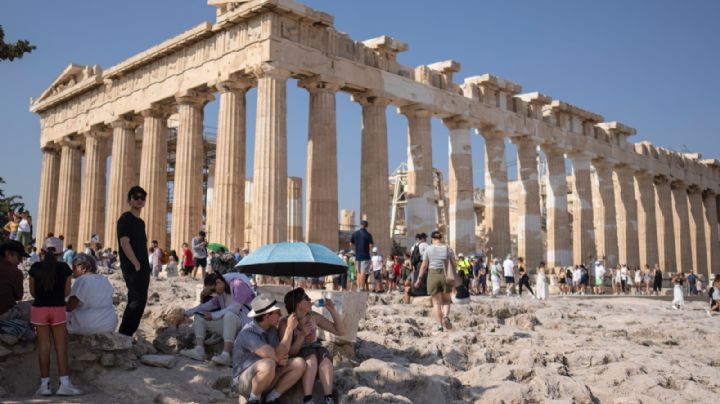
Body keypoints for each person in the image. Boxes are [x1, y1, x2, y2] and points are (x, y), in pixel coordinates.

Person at [29, 236, 82, 396]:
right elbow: (67, 292)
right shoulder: (65, 268)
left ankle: (44, 385)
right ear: (60, 253)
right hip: (58, 308)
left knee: (44, 347)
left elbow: (32, 292)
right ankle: (64, 384)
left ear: (42, 251)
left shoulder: (35, 267)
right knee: (60, 347)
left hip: (39, 309)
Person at [232, 295, 306, 404]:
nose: (280, 316)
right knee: (268, 364)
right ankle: (253, 399)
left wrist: (278, 358)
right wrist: (289, 329)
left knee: (299, 363)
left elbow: (280, 354)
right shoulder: (248, 333)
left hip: (267, 375)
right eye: (277, 313)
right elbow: (276, 356)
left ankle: (271, 399)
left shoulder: (271, 330)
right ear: (267, 316)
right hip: (244, 382)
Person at [280, 288, 345, 404]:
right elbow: (289, 352)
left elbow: (339, 331)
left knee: (325, 358)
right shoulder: (286, 323)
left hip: (315, 349)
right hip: (301, 357)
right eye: (307, 298)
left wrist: (332, 310)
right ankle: (308, 399)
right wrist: (302, 335)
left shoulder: (313, 316)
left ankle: (328, 397)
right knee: (312, 358)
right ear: (299, 304)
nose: (310, 300)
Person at [181, 272, 254, 366]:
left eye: (213, 290)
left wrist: (213, 315)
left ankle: (225, 355)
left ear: (218, 282)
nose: (213, 293)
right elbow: (206, 306)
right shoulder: (221, 294)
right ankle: (199, 350)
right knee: (200, 315)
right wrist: (187, 313)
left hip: (245, 324)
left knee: (229, 315)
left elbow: (235, 308)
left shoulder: (238, 285)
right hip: (229, 325)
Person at [117, 186, 151, 336]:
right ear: (129, 200)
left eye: (142, 198)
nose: (139, 200)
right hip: (132, 266)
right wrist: (135, 263)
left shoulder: (141, 222)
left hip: (142, 266)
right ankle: (124, 334)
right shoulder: (125, 218)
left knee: (140, 300)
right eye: (135, 197)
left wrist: (143, 265)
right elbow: (124, 242)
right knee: (136, 300)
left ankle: (127, 334)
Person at [413, 230, 456, 331]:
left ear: (432, 239)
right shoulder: (448, 248)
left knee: (436, 303)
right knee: (446, 300)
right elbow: (454, 263)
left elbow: (424, 266)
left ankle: (440, 326)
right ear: (441, 238)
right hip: (445, 276)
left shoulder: (428, 249)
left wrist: (419, 279)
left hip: (433, 275)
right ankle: (446, 316)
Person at [66, 253, 117, 335]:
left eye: (74, 268)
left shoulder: (82, 280)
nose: (73, 271)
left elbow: (70, 306)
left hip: (88, 326)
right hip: (109, 324)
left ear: (82, 267)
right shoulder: (104, 279)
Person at [0, 240, 30, 321]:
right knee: (36, 306)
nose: (21, 261)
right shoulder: (14, 271)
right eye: (19, 257)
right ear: (8, 254)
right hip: (3, 315)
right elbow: (19, 296)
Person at [350, 220, 373, 292]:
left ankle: (358, 287)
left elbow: (350, 243)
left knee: (358, 272)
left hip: (357, 255)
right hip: (365, 256)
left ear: (360, 225)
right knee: (363, 272)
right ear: (367, 226)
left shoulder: (355, 233)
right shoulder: (368, 235)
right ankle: (362, 287)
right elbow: (371, 245)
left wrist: (357, 245)